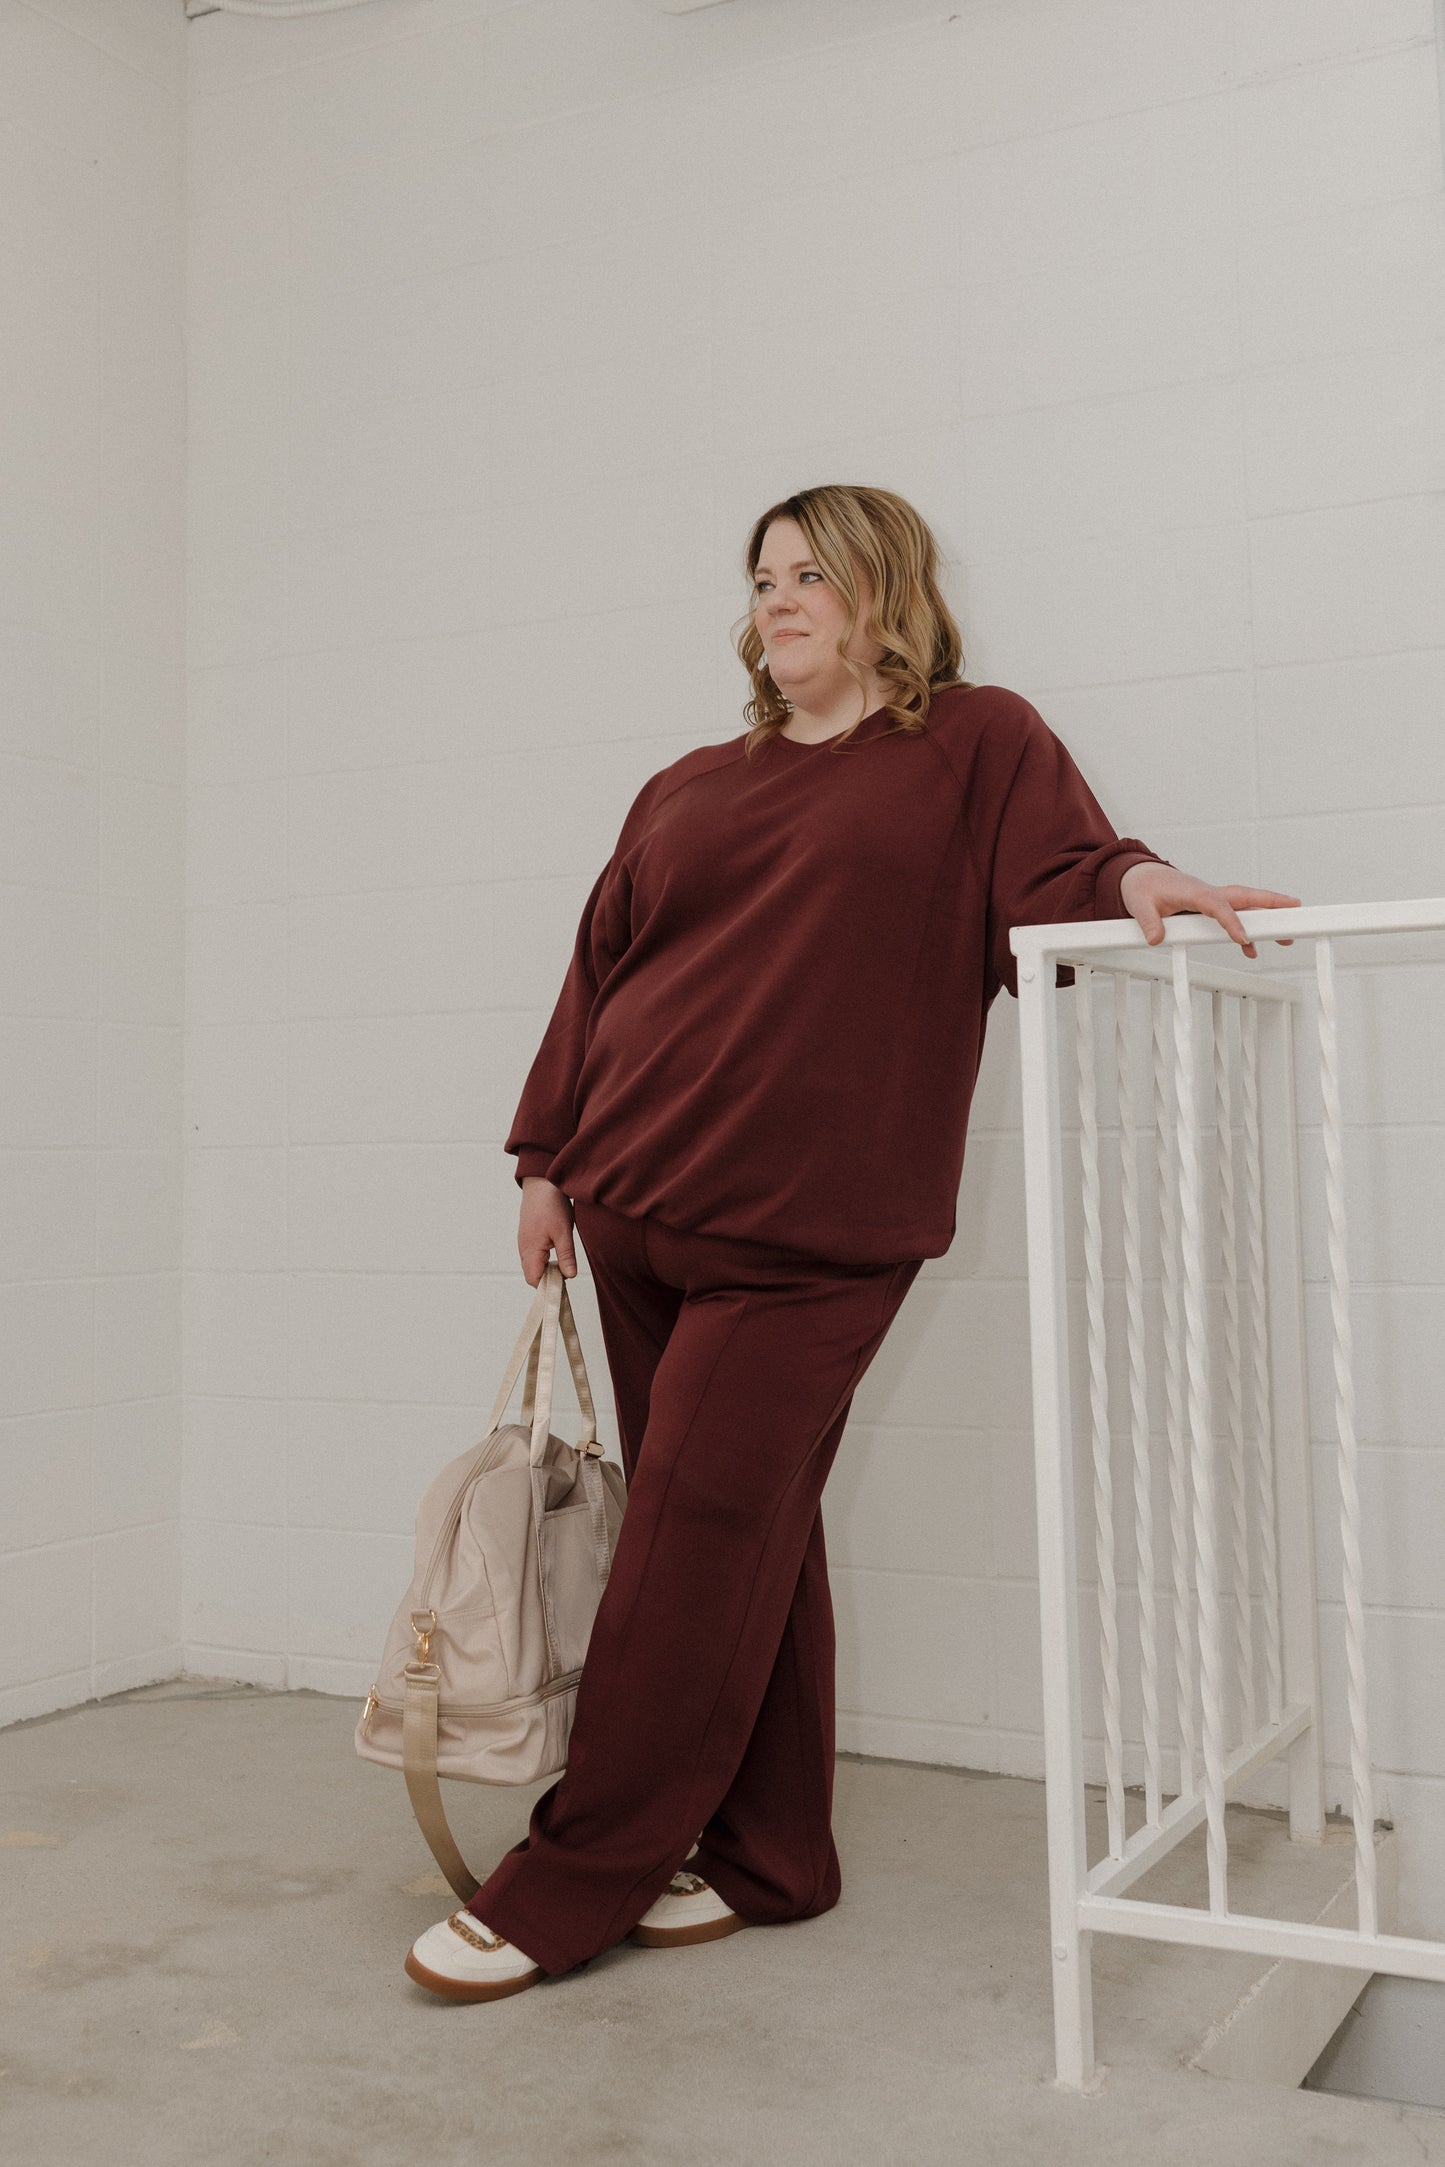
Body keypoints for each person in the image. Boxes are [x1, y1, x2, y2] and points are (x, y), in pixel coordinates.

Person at [403, 484, 1301, 2003]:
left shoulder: (968, 743)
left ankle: (575, 1876)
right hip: (632, 1208)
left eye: (812, 573)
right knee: (747, 1533)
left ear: (887, 592)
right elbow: (600, 965)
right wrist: (543, 1157)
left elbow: (1064, 871)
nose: (779, 600)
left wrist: (1139, 883)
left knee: (689, 1540)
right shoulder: (687, 781)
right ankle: (769, 1856)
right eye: (762, 579)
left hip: (809, 1234)